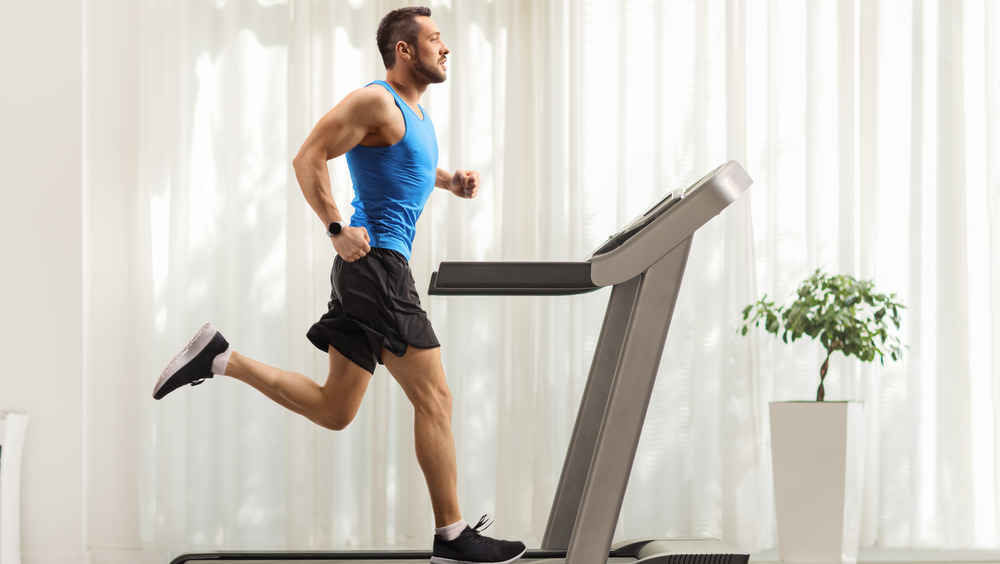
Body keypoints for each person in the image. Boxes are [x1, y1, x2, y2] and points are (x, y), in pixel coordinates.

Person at [151, 7, 526, 564]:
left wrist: (451, 181)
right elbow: (308, 157)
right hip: (376, 268)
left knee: (334, 409)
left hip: (370, 271)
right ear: (405, 50)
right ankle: (453, 537)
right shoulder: (377, 100)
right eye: (435, 39)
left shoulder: (416, 115)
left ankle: (220, 357)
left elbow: (408, 169)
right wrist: (334, 228)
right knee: (437, 397)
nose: (446, 48)